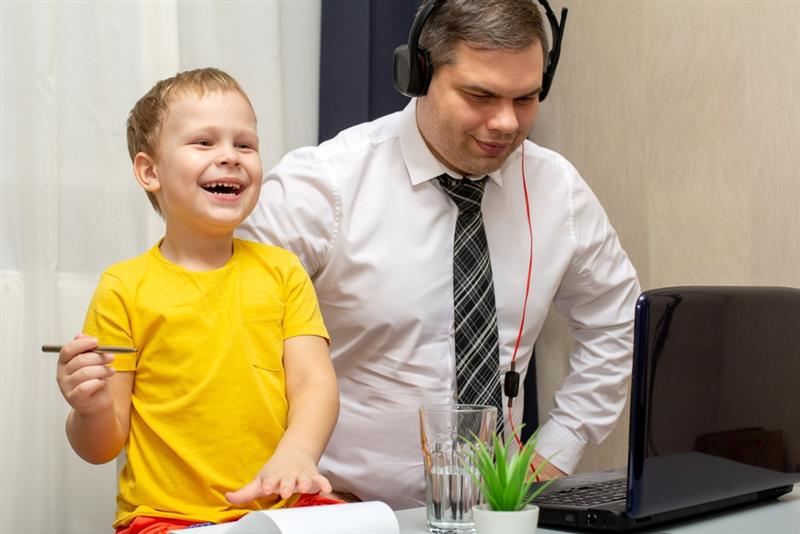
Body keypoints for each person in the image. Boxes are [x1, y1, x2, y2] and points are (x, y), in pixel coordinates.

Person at [239, 0, 640, 509]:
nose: (505, 122)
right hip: (342, 507)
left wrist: (558, 449)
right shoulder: (323, 186)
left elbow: (616, 320)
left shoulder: (556, 189)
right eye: (480, 95)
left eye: (526, 98)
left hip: (495, 512)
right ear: (418, 74)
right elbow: (224, 328)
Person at [55, 68, 340, 533]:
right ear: (150, 171)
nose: (229, 157)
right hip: (164, 519)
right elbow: (100, 446)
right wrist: (88, 409)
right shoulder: (123, 288)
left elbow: (315, 384)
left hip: (279, 509)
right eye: (204, 143)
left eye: (244, 144)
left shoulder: (284, 272)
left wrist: (297, 453)